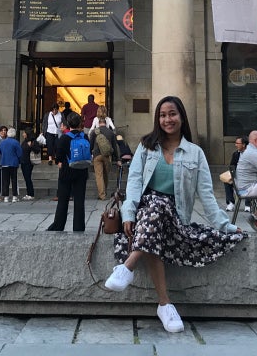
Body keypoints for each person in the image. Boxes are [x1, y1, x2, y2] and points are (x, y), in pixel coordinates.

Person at [103, 95, 244, 333]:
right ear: (157, 119)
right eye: (162, 115)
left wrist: (226, 225)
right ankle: (165, 304)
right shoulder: (147, 146)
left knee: (158, 210)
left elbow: (207, 195)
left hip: (176, 218)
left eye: (172, 114)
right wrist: (128, 214)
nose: (167, 119)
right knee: (154, 209)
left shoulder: (195, 153)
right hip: (145, 212)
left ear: (181, 117)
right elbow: (135, 181)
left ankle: (127, 266)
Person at [47, 112, 88, 231]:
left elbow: (58, 155)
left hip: (66, 171)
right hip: (81, 171)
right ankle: (79, 227)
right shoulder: (84, 136)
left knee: (63, 201)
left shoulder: (65, 137)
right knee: (79, 201)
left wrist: (59, 162)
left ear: (68, 123)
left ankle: (58, 225)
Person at [90, 115, 119, 199]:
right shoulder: (110, 133)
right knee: (106, 175)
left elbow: (91, 145)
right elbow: (114, 146)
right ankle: (104, 192)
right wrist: (117, 159)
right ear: (106, 123)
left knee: (99, 175)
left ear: (99, 124)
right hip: (107, 156)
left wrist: (90, 155)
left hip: (97, 156)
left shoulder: (94, 132)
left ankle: (102, 195)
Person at [0, 128, 23, 202]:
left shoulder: (3, 142)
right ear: (14, 134)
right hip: (13, 163)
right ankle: (14, 196)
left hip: (4, 163)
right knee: (14, 180)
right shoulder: (16, 142)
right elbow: (20, 153)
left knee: (5, 180)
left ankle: (6, 196)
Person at [224, 137, 247, 211]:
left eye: (237, 143)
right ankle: (230, 202)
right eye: (235, 143)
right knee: (227, 181)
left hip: (248, 177)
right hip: (237, 176)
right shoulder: (236, 154)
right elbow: (232, 166)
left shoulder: (250, 154)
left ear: (243, 145)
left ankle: (248, 204)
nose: (235, 145)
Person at [19, 129, 39, 200]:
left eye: (24, 133)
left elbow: (37, 150)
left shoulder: (33, 141)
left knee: (28, 178)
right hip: (23, 162)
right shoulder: (24, 141)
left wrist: (31, 146)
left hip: (28, 162)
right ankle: (29, 193)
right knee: (26, 178)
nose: (23, 134)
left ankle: (30, 194)